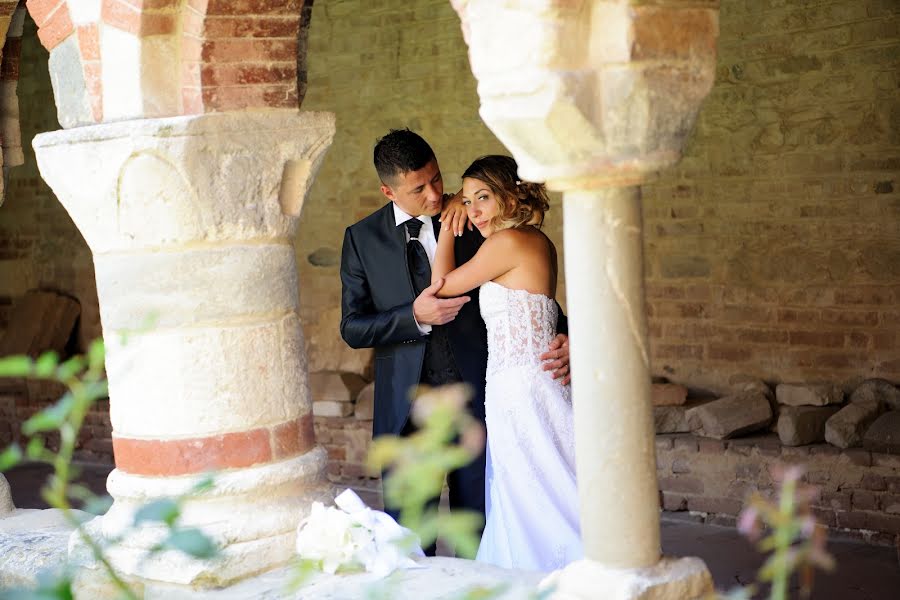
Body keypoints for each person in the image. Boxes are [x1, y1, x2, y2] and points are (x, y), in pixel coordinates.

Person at [339, 131, 571, 550]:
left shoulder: (478, 220)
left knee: (489, 523)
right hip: (407, 407)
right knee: (409, 536)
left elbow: (533, 296)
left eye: (436, 179)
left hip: (481, 399)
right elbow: (353, 326)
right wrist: (412, 316)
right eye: (418, 188)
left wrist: (568, 339)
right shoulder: (361, 239)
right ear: (388, 190)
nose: (434, 194)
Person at [430, 155, 581, 571]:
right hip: (529, 380)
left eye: (483, 198)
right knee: (548, 480)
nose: (473, 210)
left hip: (519, 386)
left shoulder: (505, 243)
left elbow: (440, 288)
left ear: (511, 196)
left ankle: (561, 570)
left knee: (537, 487)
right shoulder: (535, 240)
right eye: (467, 199)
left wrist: (447, 228)